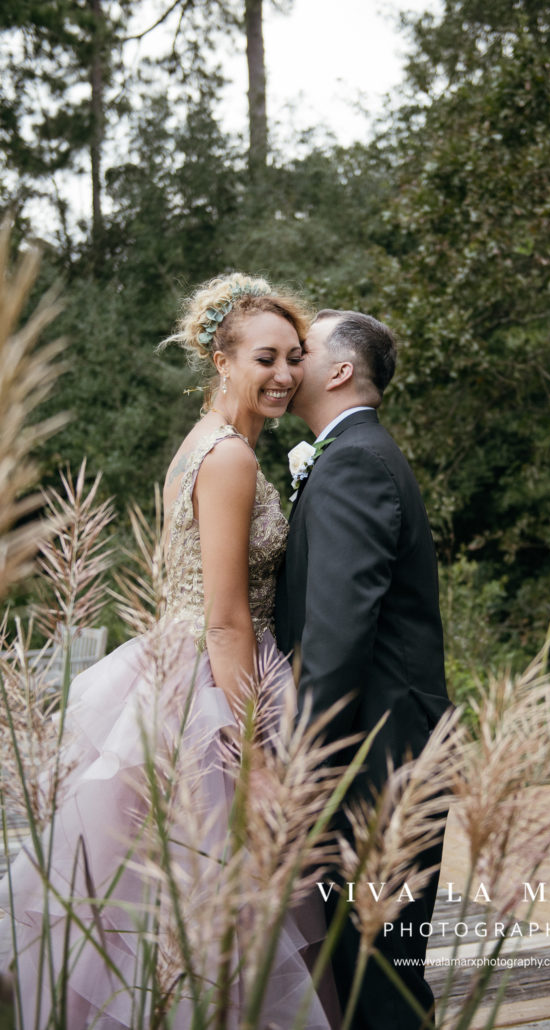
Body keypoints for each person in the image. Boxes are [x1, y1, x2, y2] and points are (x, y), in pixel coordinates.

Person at [0, 274, 335, 1030]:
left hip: (178, 668)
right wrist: (250, 747)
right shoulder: (232, 459)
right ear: (221, 359)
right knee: (220, 887)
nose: (283, 375)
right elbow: (223, 618)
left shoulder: (203, 445)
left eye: (294, 358)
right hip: (216, 686)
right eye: (264, 358)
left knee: (168, 897)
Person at [275, 309, 451, 1029]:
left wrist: (301, 763)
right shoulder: (358, 452)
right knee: (374, 964)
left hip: (373, 759)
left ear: (341, 370)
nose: (287, 364)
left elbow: (338, 633)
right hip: (384, 745)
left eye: (302, 351)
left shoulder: (351, 460)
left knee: (379, 975)